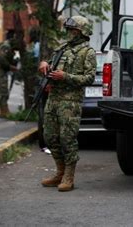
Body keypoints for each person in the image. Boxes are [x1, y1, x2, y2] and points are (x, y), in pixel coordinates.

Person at [39, 15, 96, 192]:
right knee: (50, 137)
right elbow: (50, 63)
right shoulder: (61, 49)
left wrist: (66, 77)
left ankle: (68, 177)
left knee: (67, 139)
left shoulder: (88, 52)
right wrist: (44, 64)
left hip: (70, 102)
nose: (69, 33)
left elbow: (89, 78)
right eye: (69, 30)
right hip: (53, 98)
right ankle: (60, 172)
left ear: (82, 33)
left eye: (73, 30)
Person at [0, 31, 18, 118]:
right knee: (3, 91)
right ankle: (4, 111)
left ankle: (3, 111)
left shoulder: (2, 44)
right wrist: (10, 67)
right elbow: (2, 59)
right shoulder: (6, 46)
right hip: (0, 71)